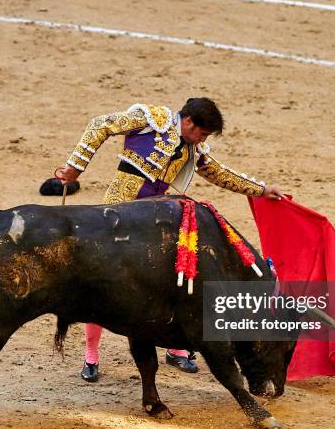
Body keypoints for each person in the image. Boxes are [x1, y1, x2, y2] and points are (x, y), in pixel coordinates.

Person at [56, 97, 284, 382]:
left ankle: (176, 348)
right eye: (202, 133)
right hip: (118, 215)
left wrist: (261, 190)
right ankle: (91, 354)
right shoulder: (151, 119)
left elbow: (218, 173)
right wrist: (75, 167)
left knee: (176, 276)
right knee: (101, 282)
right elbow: (100, 125)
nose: (202, 140)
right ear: (188, 121)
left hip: (157, 221)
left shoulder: (192, 147)